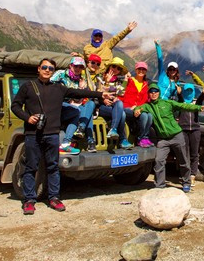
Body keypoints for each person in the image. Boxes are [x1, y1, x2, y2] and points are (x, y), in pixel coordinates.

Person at [11, 58, 113, 215]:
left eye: (50, 68)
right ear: (38, 69)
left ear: (53, 72)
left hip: (52, 133)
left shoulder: (59, 88)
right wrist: (27, 118)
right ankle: (29, 200)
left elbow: (80, 92)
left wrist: (100, 94)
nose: (47, 70)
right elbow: (15, 105)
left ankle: (54, 198)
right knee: (31, 166)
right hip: (33, 133)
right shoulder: (28, 87)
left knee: (53, 167)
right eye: (44, 67)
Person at [135, 84, 204, 192]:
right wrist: (137, 110)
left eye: (156, 91)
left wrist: (200, 107)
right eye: (151, 92)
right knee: (159, 161)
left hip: (177, 135)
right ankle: (159, 186)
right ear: (148, 94)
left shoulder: (167, 103)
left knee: (184, 160)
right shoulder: (147, 106)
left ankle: (186, 183)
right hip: (163, 139)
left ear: (159, 93)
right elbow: (138, 108)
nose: (153, 93)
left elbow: (184, 106)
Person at [50, 56, 98, 153]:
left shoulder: (81, 80)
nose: (78, 69)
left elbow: (83, 96)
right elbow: (50, 87)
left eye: (81, 67)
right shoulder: (61, 74)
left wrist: (82, 90)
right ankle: (88, 141)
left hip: (74, 106)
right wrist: (69, 99)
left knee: (91, 104)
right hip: (59, 105)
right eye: (76, 66)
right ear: (70, 66)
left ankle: (81, 128)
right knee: (79, 111)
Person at [96, 57, 134, 149]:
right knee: (122, 114)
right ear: (109, 67)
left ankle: (113, 129)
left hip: (113, 106)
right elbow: (98, 92)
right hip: (101, 106)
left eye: (119, 68)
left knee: (122, 109)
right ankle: (122, 139)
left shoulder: (118, 81)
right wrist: (107, 82)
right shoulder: (100, 78)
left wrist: (125, 80)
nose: (116, 69)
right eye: (114, 66)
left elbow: (121, 93)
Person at [177, 83, 204, 186]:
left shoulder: (196, 103)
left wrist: (203, 93)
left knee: (194, 153)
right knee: (184, 153)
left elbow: (200, 100)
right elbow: (180, 98)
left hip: (195, 130)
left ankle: (192, 175)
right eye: (187, 90)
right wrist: (179, 93)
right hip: (183, 129)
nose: (188, 92)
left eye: (190, 90)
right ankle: (184, 175)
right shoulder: (181, 102)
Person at [121, 61, 154, 148]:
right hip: (127, 107)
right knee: (143, 116)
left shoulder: (146, 85)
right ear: (136, 70)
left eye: (143, 69)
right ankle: (140, 139)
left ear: (146, 71)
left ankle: (145, 137)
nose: (141, 71)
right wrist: (125, 80)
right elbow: (121, 92)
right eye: (139, 69)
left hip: (139, 109)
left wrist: (139, 108)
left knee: (149, 115)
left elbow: (146, 101)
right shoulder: (129, 80)